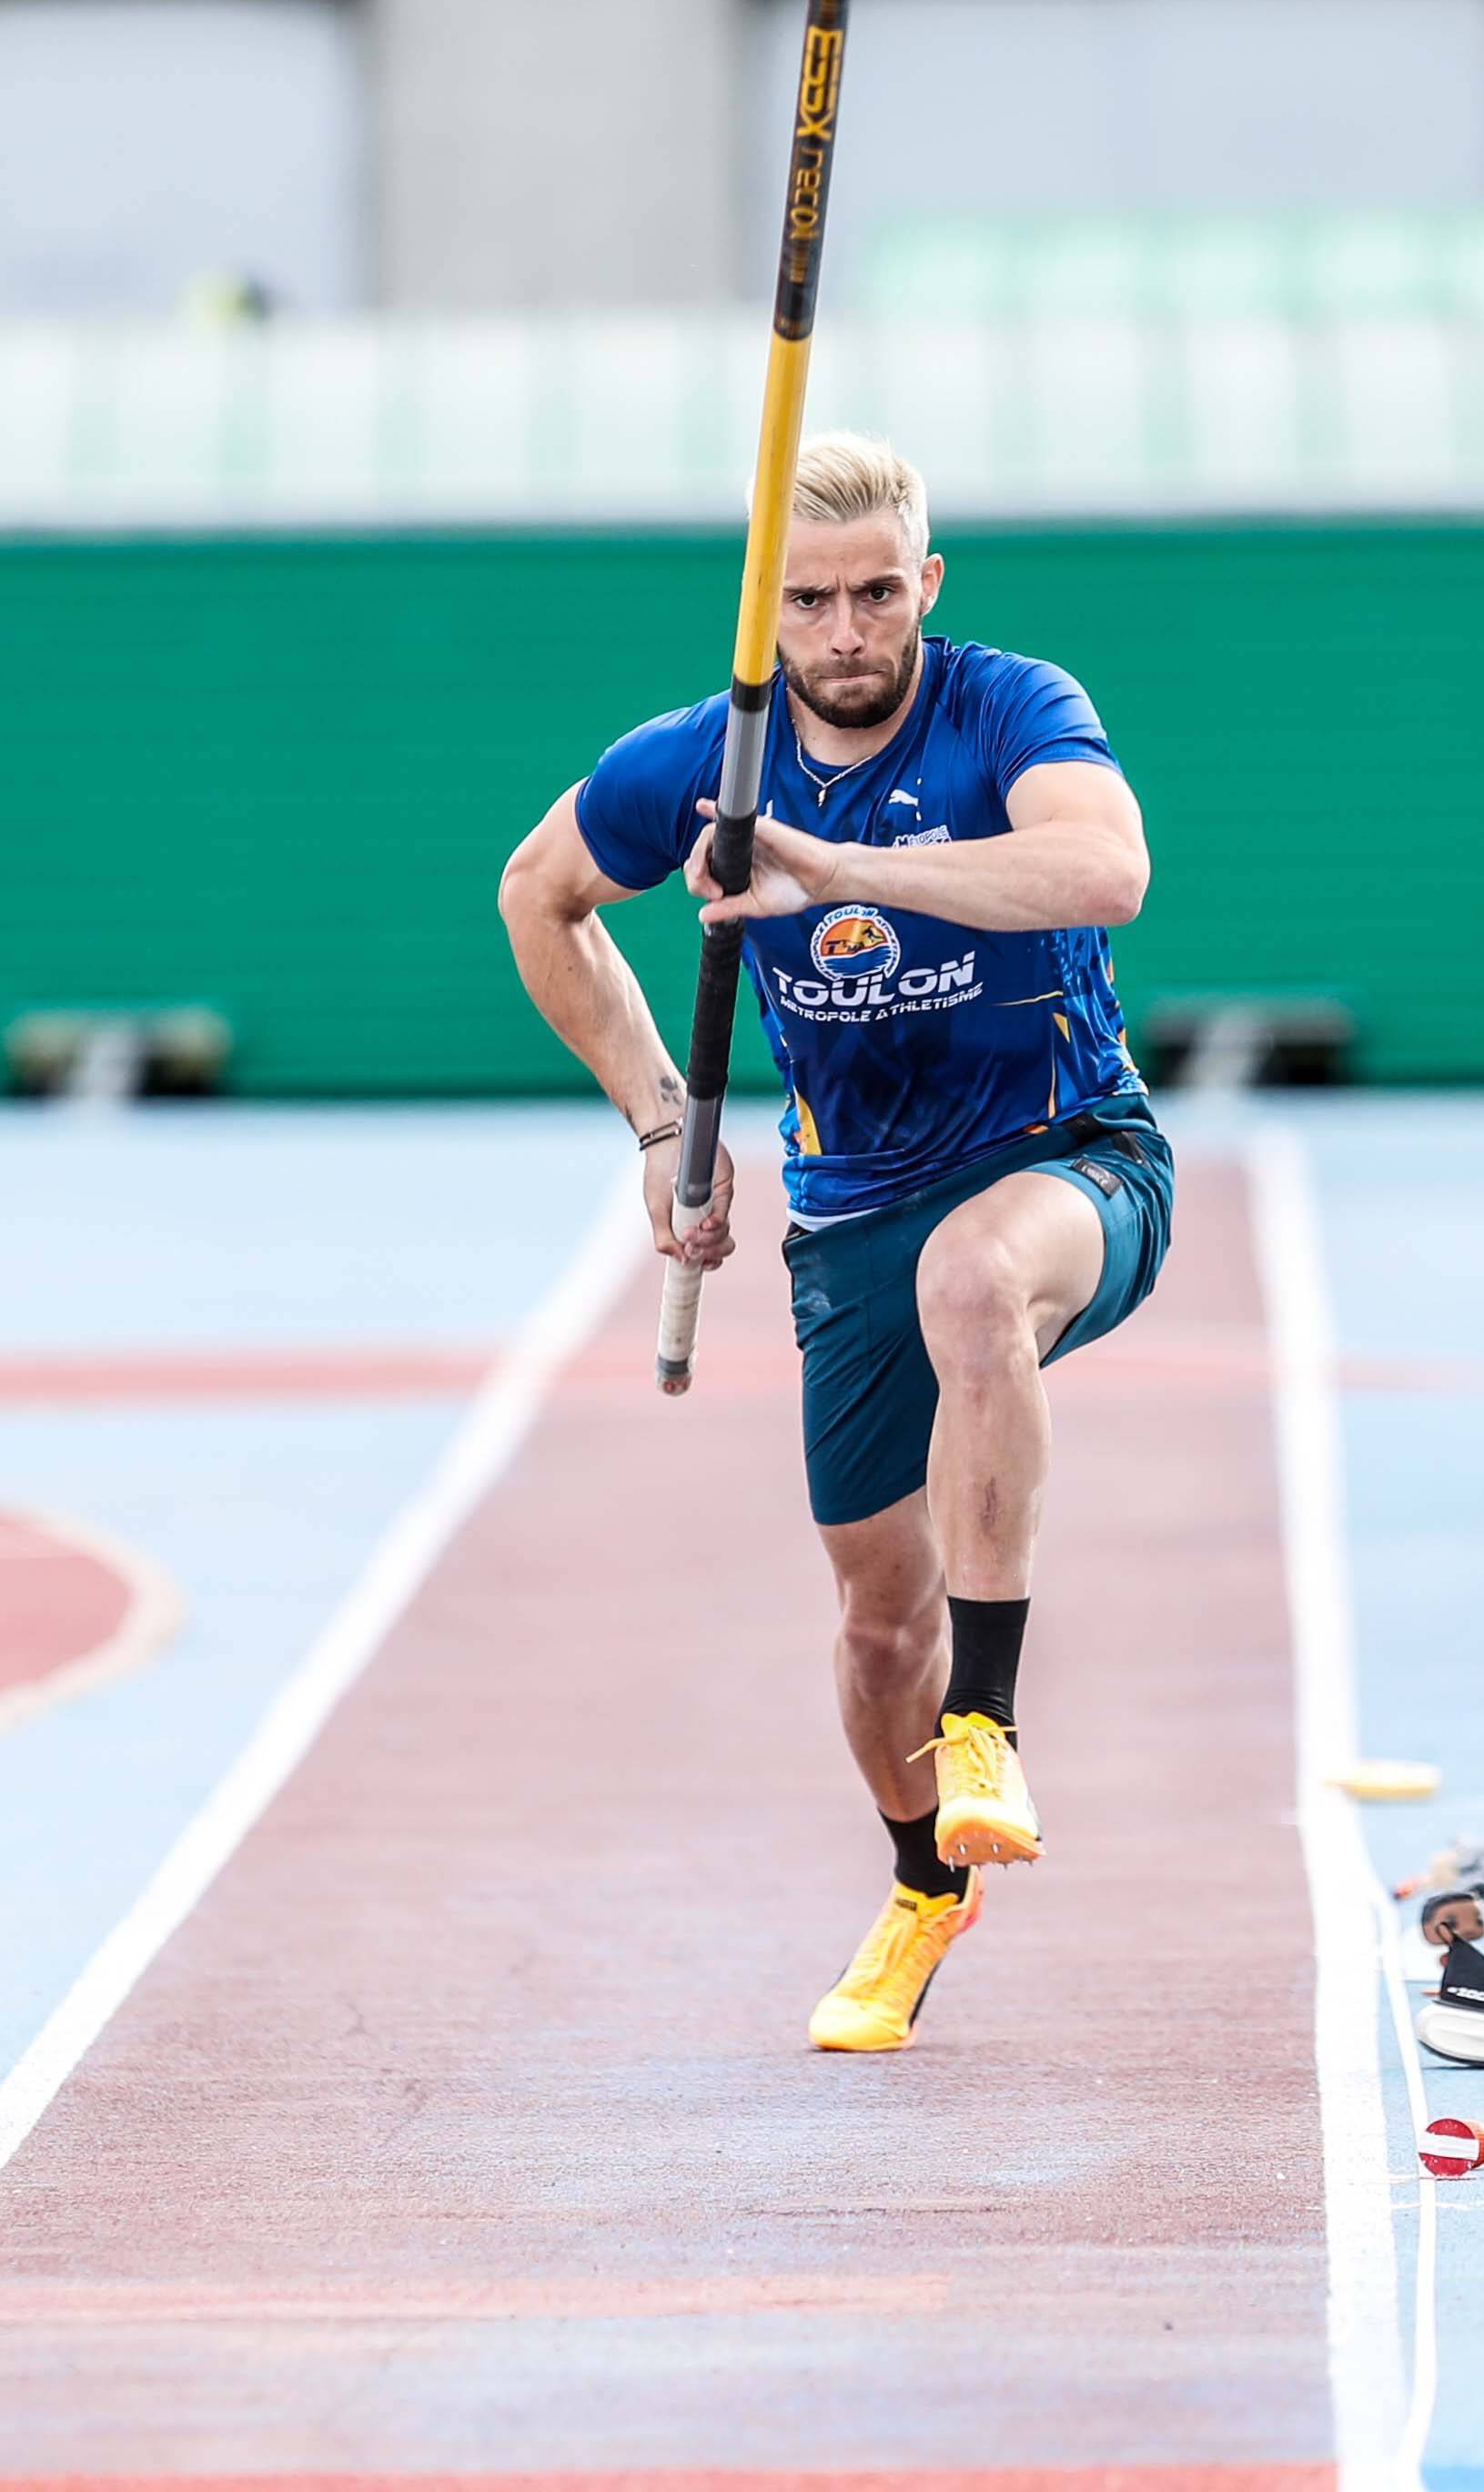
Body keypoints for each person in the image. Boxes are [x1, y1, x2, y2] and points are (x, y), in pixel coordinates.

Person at [497, 431, 1170, 2055]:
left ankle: (991, 1722)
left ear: (924, 586)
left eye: (879, 593)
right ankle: (922, 1882)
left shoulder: (1008, 706)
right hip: (851, 1202)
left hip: (1066, 1155)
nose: (850, 630)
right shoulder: (697, 763)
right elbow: (537, 892)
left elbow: (1108, 866)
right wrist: (665, 1124)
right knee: (877, 1630)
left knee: (975, 1281)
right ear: (764, 612)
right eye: (811, 602)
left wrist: (828, 871)